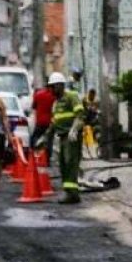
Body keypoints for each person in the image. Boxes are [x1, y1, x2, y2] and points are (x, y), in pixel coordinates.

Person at [49, 72, 85, 204]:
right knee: (63, 164)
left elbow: (80, 115)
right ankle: (70, 192)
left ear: (60, 85)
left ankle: (71, 193)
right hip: (62, 136)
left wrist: (74, 130)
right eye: (50, 87)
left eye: (53, 86)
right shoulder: (56, 103)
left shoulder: (71, 96)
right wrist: (45, 138)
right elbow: (54, 122)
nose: (51, 90)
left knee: (71, 163)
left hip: (71, 137)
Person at [30, 83, 55, 157]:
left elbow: (34, 106)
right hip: (50, 122)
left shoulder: (38, 94)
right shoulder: (53, 96)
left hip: (40, 122)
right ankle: (47, 157)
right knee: (49, 140)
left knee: (35, 137)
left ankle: (34, 152)